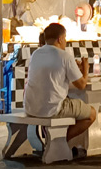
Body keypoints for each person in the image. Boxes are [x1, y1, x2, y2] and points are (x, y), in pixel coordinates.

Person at [24, 22, 96, 150]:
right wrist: (85, 69)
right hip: (53, 108)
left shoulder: (35, 54)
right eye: (65, 38)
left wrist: (76, 70)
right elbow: (81, 85)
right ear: (60, 39)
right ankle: (59, 143)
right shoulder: (65, 56)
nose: (65, 42)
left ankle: (56, 142)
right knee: (92, 113)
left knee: (73, 105)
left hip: (31, 107)